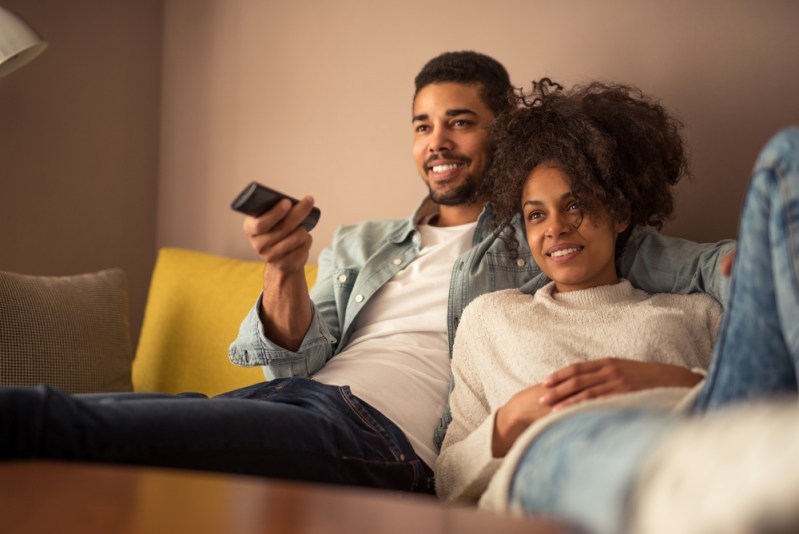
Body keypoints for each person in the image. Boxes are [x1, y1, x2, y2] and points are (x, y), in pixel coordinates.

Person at [0, 52, 731, 494]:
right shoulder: (363, 244)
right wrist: (282, 271)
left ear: (503, 130)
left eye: (460, 121)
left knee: (53, 421)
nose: (436, 141)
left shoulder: (544, 233)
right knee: (87, 420)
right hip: (299, 403)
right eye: (421, 124)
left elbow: (707, 271)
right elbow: (294, 354)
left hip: (381, 441)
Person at [435, 80, 799, 533]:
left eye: (576, 206)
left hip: (705, 428)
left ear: (620, 214)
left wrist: (673, 379)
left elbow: (738, 400)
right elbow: (447, 480)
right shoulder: (491, 317)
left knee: (790, 156)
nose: (556, 229)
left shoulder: (695, 310)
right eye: (536, 214)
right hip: (562, 449)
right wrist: (510, 420)